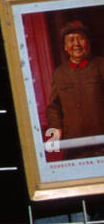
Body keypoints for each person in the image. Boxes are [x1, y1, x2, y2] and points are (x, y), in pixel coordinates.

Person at [44, 20, 104, 159]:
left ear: (88, 42)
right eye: (71, 40)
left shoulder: (101, 65)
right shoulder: (59, 73)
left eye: (80, 38)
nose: (76, 44)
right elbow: (53, 108)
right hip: (74, 147)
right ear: (65, 47)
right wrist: (55, 131)